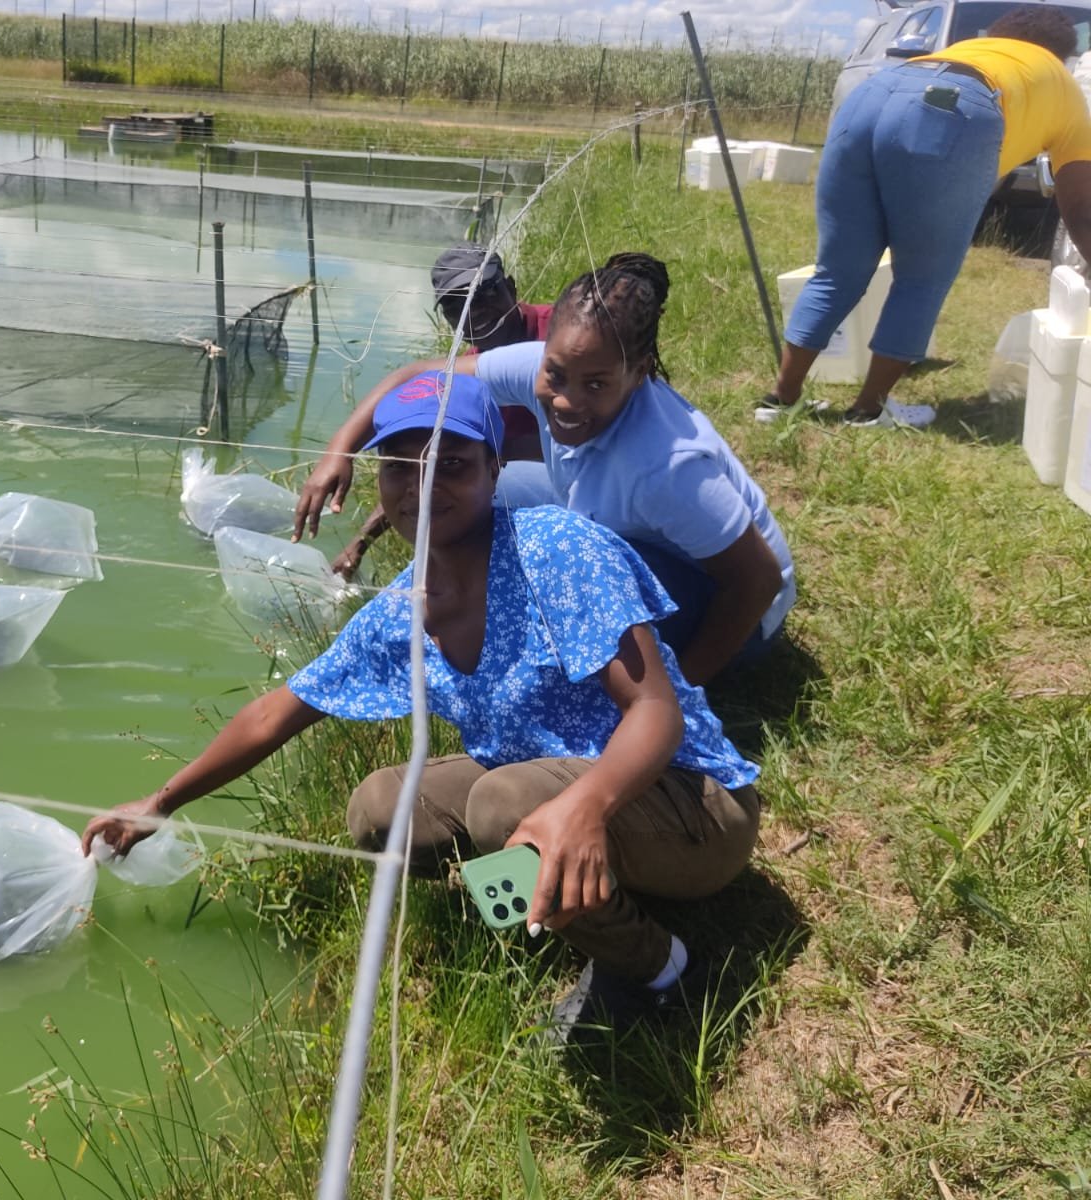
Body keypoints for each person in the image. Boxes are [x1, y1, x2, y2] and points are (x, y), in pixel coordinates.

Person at [82, 372, 762, 1042]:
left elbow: (655, 713)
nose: (422, 486)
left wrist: (583, 808)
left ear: (496, 471)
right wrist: (160, 802)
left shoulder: (556, 549)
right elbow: (278, 711)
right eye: (399, 468)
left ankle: (659, 970)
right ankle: (551, 899)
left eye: (453, 465)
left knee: (502, 804)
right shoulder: (405, 609)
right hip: (551, 785)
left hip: (694, 804)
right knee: (381, 810)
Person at [296, 253, 794, 688]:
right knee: (487, 495)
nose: (566, 400)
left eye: (597, 385)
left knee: (568, 571)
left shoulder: (666, 468)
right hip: (635, 537)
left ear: (638, 374)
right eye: (555, 374)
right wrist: (340, 451)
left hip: (733, 610)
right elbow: (418, 377)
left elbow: (757, 582)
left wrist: (681, 690)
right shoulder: (542, 365)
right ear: (545, 349)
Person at [760, 5, 1091, 428]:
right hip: (954, 110)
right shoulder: (1063, 86)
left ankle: (779, 400)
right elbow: (1081, 210)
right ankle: (867, 411)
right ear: (1062, 55)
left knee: (836, 270)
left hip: (870, 96)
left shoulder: (967, 49)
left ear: (999, 34)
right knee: (921, 278)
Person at [328, 244, 550, 576]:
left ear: (512, 287)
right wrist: (360, 543)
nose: (473, 312)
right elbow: (425, 463)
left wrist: (504, 450)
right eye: (454, 305)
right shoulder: (467, 374)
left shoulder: (560, 338)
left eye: (485, 292)